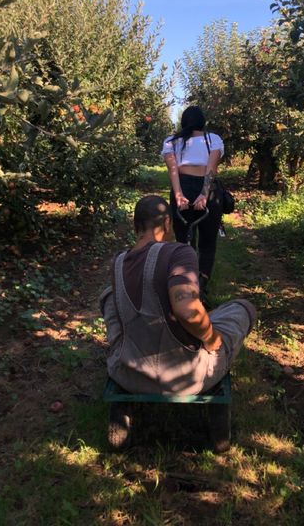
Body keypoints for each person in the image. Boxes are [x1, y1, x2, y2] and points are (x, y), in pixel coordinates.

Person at [100, 194, 256, 395]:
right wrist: (211, 340)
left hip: (128, 375)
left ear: (135, 226)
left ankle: (123, 353)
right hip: (184, 378)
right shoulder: (179, 253)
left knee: (110, 295)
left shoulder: (118, 262)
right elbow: (188, 312)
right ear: (167, 223)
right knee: (241, 308)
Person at [161, 105, 224, 303]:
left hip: (182, 185)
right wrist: (204, 194)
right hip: (207, 188)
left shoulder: (171, 142)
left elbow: (173, 171)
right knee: (208, 242)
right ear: (202, 122)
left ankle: (185, 286)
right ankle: (202, 287)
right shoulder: (213, 139)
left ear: (183, 122)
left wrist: (179, 195)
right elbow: (211, 169)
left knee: (183, 240)